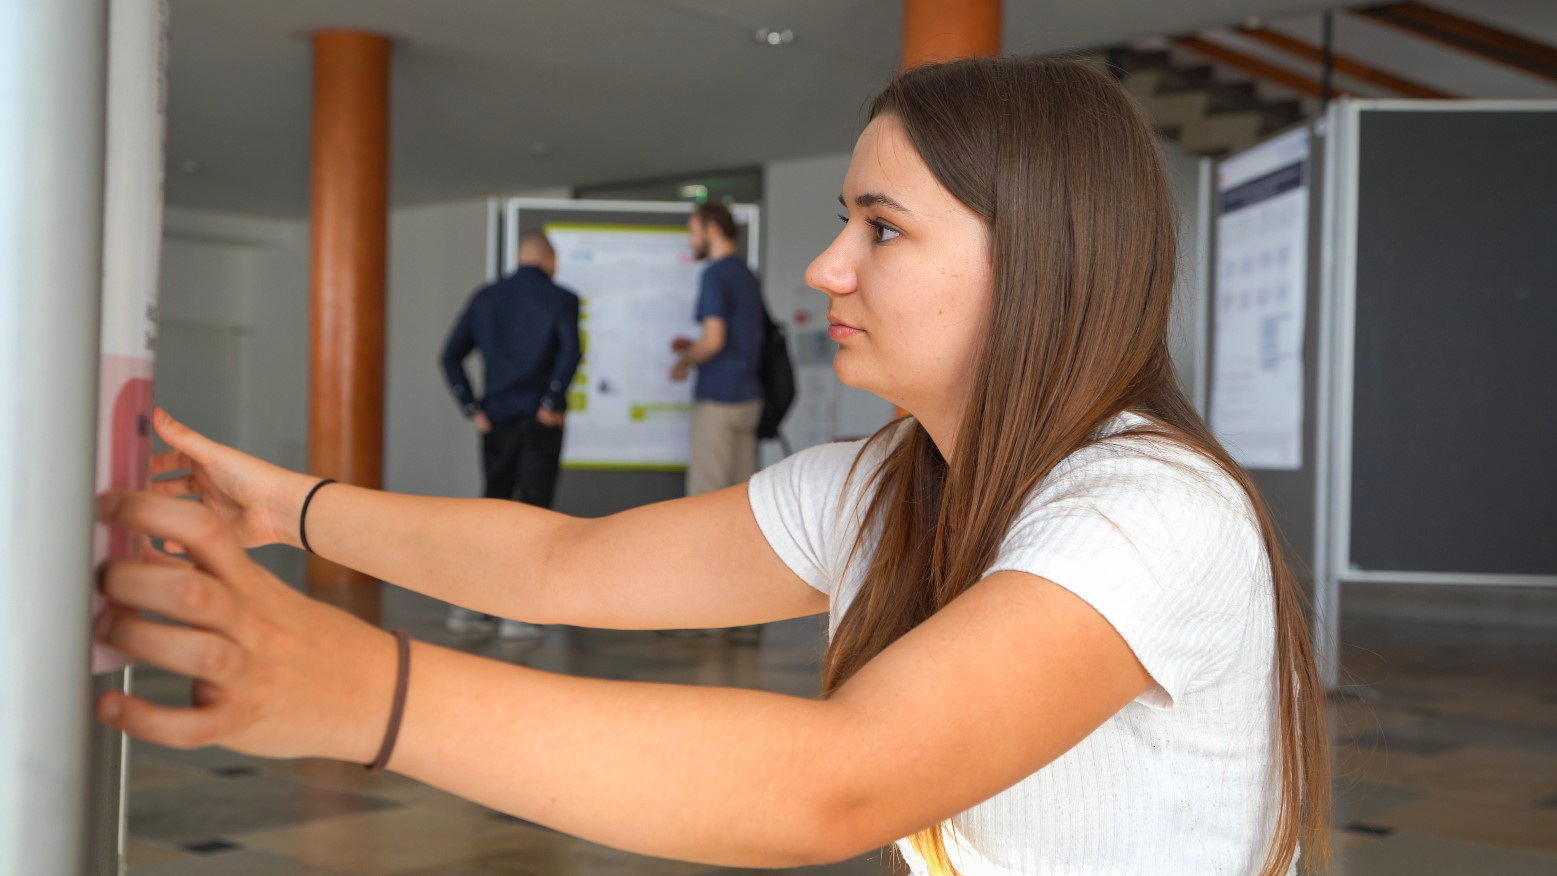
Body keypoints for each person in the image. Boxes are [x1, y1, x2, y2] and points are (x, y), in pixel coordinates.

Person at [97, 57, 1329, 875]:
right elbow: (563, 560)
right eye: (847, 218)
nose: (826, 269)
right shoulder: (888, 483)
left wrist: (365, 694)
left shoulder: (1153, 511)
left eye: (882, 228)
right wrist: (292, 509)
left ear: (1045, 258)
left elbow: (835, 785)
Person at [439, 231, 581, 639]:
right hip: (541, 422)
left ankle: (473, 606)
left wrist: (472, 407)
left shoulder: (486, 297)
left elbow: (449, 355)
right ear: (550, 260)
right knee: (535, 513)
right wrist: (552, 402)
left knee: (494, 510)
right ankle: (519, 613)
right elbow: (571, 352)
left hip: (496, 420)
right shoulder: (561, 299)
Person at [670, 203, 765, 498]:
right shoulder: (746, 274)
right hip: (750, 398)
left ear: (711, 230)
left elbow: (713, 341)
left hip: (719, 397)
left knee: (706, 497)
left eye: (693, 231)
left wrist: (683, 362)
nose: (690, 240)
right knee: (741, 496)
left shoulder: (714, 274)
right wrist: (693, 345)